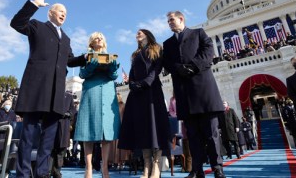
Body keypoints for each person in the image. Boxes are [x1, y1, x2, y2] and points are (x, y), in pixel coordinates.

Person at [10, 0, 87, 178]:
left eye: (66, 13)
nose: (64, 14)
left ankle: (42, 172)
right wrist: (34, 3)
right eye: (60, 10)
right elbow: (17, 23)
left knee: (49, 138)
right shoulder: (37, 26)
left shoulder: (67, 38)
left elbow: (69, 60)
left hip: (56, 92)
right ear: (50, 13)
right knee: (28, 135)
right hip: (36, 88)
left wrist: (85, 58)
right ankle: (22, 173)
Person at [162, 11, 226, 178]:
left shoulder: (198, 33)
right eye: (168, 21)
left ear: (181, 19)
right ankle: (196, 169)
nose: (169, 23)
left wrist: (193, 66)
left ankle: (217, 167)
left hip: (203, 91)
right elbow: (166, 62)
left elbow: (208, 52)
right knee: (192, 135)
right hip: (184, 93)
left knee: (211, 133)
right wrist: (178, 68)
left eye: (172, 20)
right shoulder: (167, 43)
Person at [118, 29, 170, 178]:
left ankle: (156, 166)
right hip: (138, 95)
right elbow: (132, 72)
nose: (137, 33)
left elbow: (156, 69)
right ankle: (146, 165)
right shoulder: (135, 54)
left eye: (140, 32)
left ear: (147, 34)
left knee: (155, 128)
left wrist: (145, 83)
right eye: (136, 32)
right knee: (143, 130)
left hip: (152, 92)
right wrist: (132, 85)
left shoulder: (157, 48)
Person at [73, 32, 120, 178]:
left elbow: (114, 76)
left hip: (107, 93)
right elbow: (81, 75)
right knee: (88, 131)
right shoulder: (86, 56)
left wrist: (112, 69)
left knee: (106, 134)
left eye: (101, 38)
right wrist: (89, 68)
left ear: (104, 42)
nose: (98, 39)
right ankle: (88, 168)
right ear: (91, 43)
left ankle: (104, 167)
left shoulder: (110, 56)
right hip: (91, 93)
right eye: (95, 38)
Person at [50, 91, 77, 178]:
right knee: (50, 151)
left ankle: (57, 172)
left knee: (61, 152)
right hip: (51, 125)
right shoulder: (52, 93)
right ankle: (49, 171)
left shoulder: (69, 96)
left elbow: (73, 109)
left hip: (64, 127)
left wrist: (69, 113)